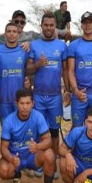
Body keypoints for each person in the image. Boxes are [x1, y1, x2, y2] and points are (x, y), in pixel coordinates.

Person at [0, 88, 56, 183]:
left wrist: (38, 146)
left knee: (49, 155)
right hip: (16, 157)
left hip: (32, 155)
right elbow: (3, 148)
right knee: (3, 171)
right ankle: (17, 176)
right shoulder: (9, 121)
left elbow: (49, 140)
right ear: (16, 104)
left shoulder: (38, 117)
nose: (25, 107)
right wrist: (11, 158)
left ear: (33, 103)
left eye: (28, 103)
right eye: (22, 103)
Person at [27, 12, 70, 174]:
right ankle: (39, 162)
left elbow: (65, 69)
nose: (49, 28)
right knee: (39, 130)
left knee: (53, 131)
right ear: (41, 26)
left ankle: (52, 164)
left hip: (55, 97)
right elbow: (27, 69)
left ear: (55, 27)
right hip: (38, 96)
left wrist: (68, 89)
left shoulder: (61, 46)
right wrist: (37, 64)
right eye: (46, 25)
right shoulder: (34, 45)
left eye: (52, 25)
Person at [0, 22, 29, 127]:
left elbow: (29, 68)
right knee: (6, 129)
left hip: (21, 99)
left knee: (21, 128)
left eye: (14, 31)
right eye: (9, 31)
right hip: (5, 98)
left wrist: (28, 81)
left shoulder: (24, 50)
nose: (11, 34)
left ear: (18, 34)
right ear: (5, 34)